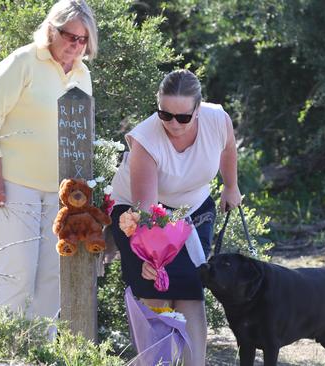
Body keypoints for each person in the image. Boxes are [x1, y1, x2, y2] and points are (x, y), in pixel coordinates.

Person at [0, 0, 98, 322]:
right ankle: (6, 350)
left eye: (82, 39)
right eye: (69, 35)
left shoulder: (83, 74)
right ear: (51, 30)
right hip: (13, 186)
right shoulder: (22, 61)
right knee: (17, 276)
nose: (75, 44)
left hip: (60, 194)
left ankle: (39, 352)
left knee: (53, 278)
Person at [109, 69, 242, 365]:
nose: (173, 124)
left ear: (198, 108)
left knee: (191, 291)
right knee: (157, 288)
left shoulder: (217, 119)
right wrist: (149, 258)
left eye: (183, 117)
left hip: (194, 208)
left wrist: (231, 187)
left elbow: (229, 148)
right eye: (165, 115)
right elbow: (145, 209)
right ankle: (157, 362)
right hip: (141, 215)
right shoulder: (145, 139)